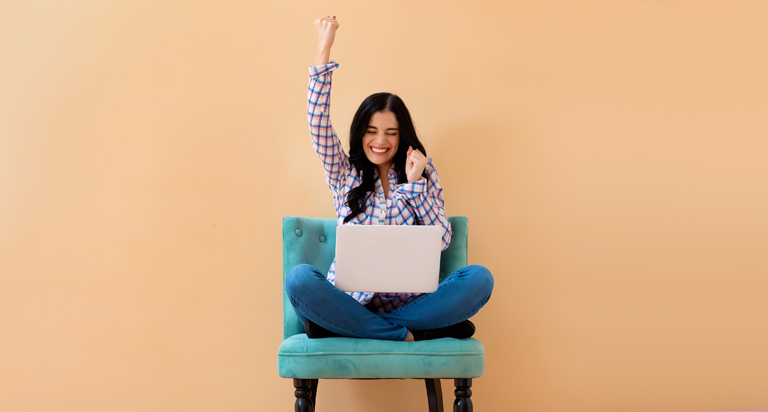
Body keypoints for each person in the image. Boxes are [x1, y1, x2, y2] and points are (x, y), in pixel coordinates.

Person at [285, 16, 494, 342]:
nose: (379, 141)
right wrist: (323, 48)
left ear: (402, 136)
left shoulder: (422, 173)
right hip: (349, 301)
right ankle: (411, 333)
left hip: (410, 303)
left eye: (390, 133)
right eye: (371, 131)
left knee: (480, 278)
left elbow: (441, 241)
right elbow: (318, 127)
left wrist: (414, 187)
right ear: (361, 133)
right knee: (299, 280)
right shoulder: (344, 173)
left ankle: (359, 329)